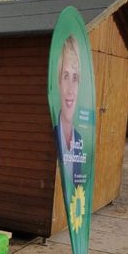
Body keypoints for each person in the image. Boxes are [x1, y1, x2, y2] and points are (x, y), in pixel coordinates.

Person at [54, 36, 85, 185]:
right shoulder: (53, 132)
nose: (71, 90)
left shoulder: (79, 140)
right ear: (58, 82)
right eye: (66, 76)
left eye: (75, 78)